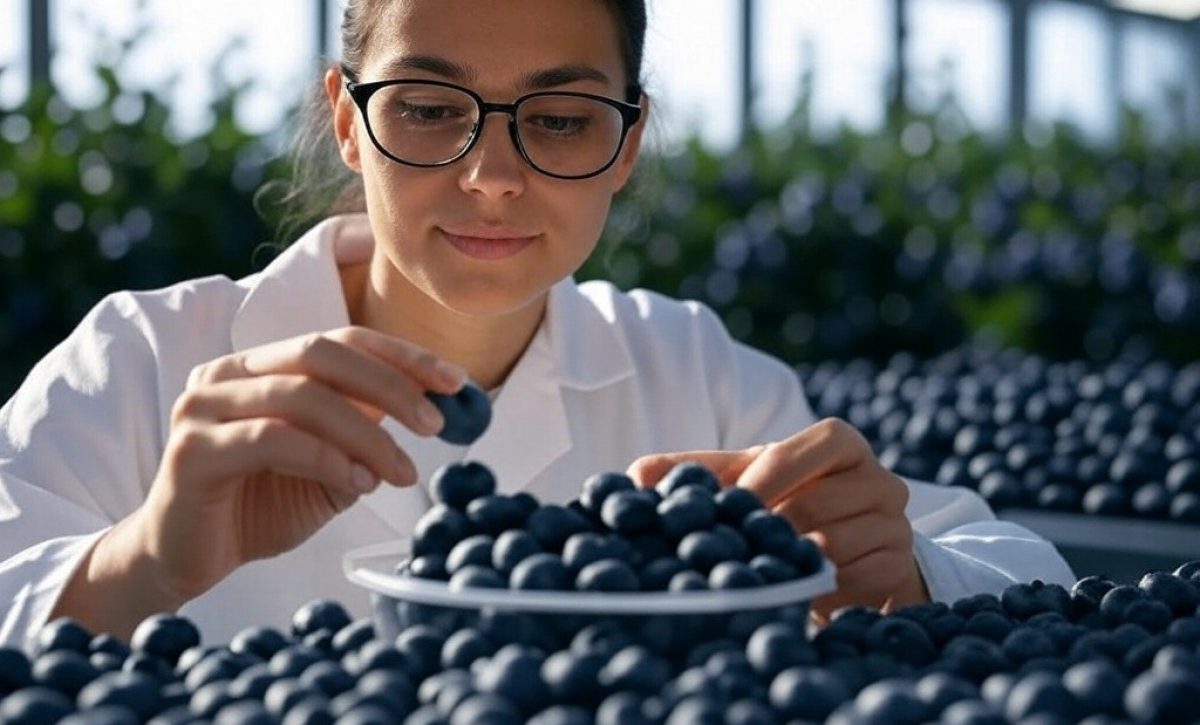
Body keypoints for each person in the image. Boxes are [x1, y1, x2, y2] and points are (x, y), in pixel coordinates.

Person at [0, 0, 1073, 649]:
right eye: (426, 107)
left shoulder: (690, 370)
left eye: (560, 119)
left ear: (627, 141)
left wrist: (908, 572)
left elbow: (1031, 572)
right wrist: (136, 562)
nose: (493, 176)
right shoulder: (142, 363)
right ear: (347, 119)